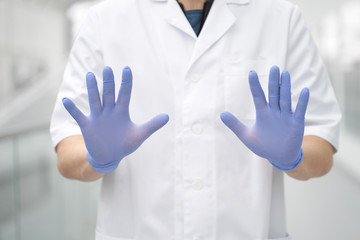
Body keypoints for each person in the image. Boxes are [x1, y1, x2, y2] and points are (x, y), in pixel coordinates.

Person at [50, 0, 341, 239]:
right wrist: (95, 158)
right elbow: (66, 151)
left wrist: (294, 158)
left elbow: (322, 146)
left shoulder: (282, 18)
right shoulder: (104, 19)